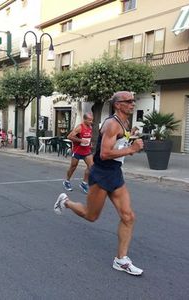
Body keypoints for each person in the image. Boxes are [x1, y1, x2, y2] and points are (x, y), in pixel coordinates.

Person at [54, 91, 144, 276]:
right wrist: (131, 149)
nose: (132, 104)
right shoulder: (111, 124)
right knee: (91, 215)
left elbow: (118, 144)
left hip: (115, 173)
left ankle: (121, 260)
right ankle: (66, 202)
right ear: (118, 104)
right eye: (129, 101)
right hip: (102, 174)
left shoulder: (125, 122)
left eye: (133, 101)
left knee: (128, 217)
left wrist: (130, 141)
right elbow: (104, 154)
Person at [63, 112, 94, 194]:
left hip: (87, 150)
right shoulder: (79, 127)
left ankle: (84, 183)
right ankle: (67, 181)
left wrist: (89, 143)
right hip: (78, 150)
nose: (91, 122)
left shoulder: (90, 127)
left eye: (92, 120)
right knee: (73, 167)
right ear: (84, 119)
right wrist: (80, 140)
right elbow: (69, 136)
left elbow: (88, 136)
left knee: (91, 167)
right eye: (89, 120)